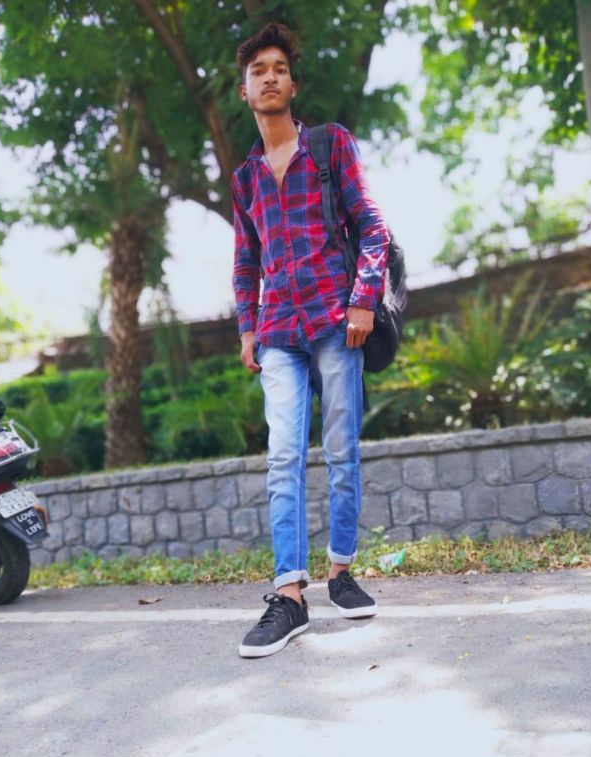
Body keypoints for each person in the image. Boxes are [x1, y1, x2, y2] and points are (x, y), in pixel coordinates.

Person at [232, 22, 390, 658]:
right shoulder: (245, 178)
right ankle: (290, 596)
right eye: (257, 71)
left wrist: (363, 300)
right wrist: (247, 327)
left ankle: (341, 572)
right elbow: (246, 261)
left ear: (292, 85)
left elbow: (373, 228)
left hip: (334, 320)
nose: (269, 77)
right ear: (245, 91)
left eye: (278, 68)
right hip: (277, 331)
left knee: (342, 450)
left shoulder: (329, 146)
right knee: (283, 457)